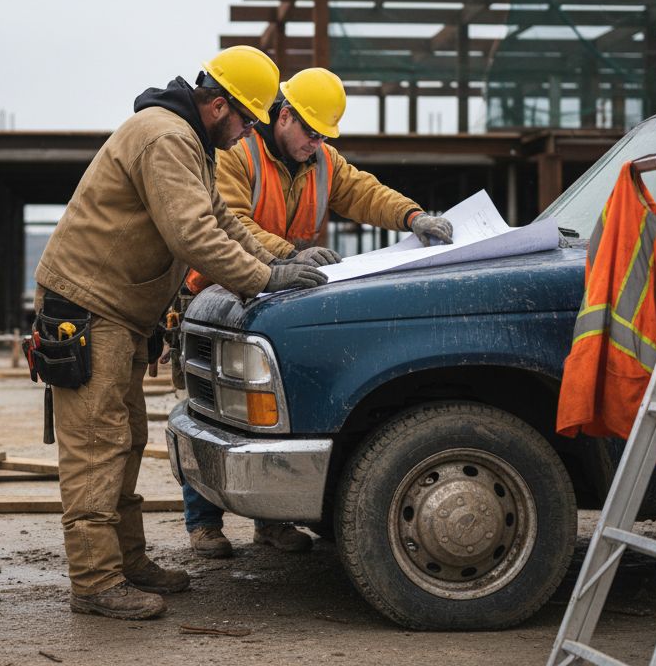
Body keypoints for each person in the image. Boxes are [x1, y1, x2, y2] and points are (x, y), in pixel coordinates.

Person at [33, 46, 330, 621]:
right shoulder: (166, 138)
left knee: (124, 439)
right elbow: (195, 236)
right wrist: (266, 277)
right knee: (97, 447)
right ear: (218, 106)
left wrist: (276, 263)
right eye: (245, 119)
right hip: (90, 308)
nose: (248, 132)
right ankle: (95, 582)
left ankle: (125, 561)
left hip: (116, 311)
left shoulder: (186, 141)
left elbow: (219, 219)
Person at [182, 67, 453, 559]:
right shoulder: (236, 154)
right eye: (310, 131)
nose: (316, 143)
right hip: (219, 294)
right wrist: (287, 253)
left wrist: (414, 216)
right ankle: (203, 524)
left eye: (323, 135)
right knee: (214, 407)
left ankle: (271, 523)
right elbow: (231, 222)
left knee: (272, 410)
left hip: (282, 294)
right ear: (283, 115)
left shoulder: (322, 160)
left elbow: (365, 191)